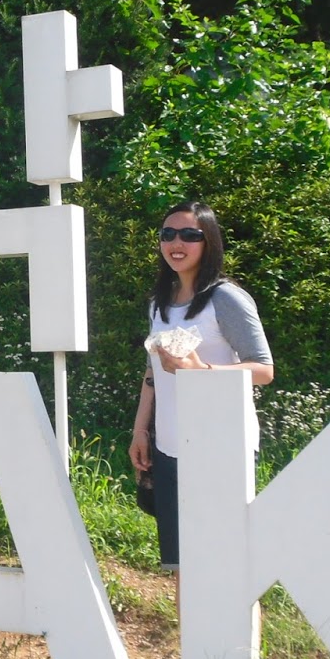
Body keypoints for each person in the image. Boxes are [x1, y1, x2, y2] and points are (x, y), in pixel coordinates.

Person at [128, 201, 274, 571]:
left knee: (230, 565)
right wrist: (141, 430)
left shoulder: (225, 298)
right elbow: (153, 372)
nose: (176, 243)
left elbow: (263, 370)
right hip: (170, 446)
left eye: (189, 235)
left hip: (222, 446)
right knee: (183, 567)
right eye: (168, 234)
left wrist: (201, 370)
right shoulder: (159, 303)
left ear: (208, 242)